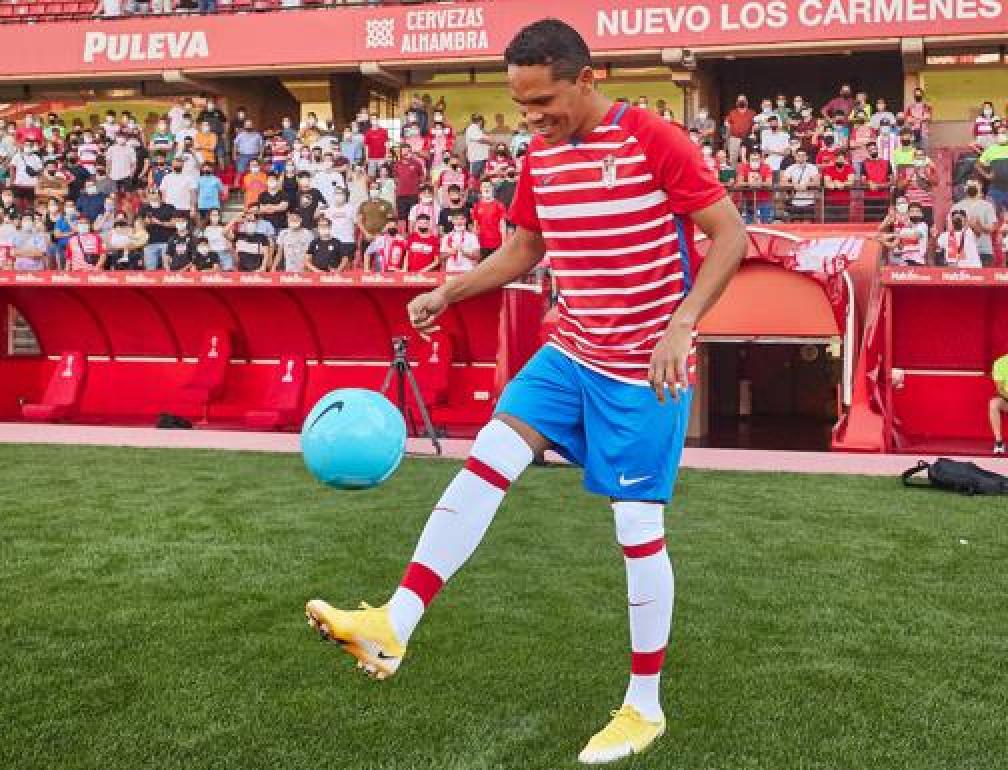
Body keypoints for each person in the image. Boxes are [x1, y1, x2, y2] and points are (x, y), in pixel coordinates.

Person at [304, 20, 745, 766]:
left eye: (543, 102)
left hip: (645, 367)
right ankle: (394, 624)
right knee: (488, 458)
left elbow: (729, 234)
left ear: (586, 77)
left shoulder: (652, 139)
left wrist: (684, 324)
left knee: (636, 529)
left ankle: (644, 708)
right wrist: (454, 290)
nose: (532, 119)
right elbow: (526, 247)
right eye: (521, 106)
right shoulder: (540, 155)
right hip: (571, 350)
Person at [951, 179, 998, 266]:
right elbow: (951, 229)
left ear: (980, 187)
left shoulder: (987, 206)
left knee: (985, 279)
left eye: (975, 184)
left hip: (983, 251)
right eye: (969, 184)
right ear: (965, 188)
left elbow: (992, 228)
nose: (972, 186)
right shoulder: (956, 207)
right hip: (962, 252)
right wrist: (966, 224)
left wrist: (980, 225)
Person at [781, 148, 820, 222]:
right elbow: (783, 183)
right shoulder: (790, 168)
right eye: (799, 156)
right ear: (795, 157)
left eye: (803, 156)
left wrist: (807, 185)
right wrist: (793, 185)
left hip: (809, 202)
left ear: (807, 157)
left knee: (808, 224)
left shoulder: (812, 168)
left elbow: (817, 182)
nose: (801, 158)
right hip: (794, 202)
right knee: (795, 225)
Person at [990, 351, 1007, 455]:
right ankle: (999, 442)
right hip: (1006, 399)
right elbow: (1000, 389)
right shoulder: (1000, 363)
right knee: (994, 404)